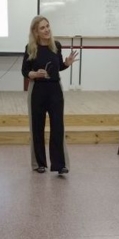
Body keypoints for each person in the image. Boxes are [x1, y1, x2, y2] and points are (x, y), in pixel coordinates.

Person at [21, 16, 78, 174]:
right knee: (37, 127)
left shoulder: (56, 45)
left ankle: (60, 165)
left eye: (47, 26)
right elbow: (25, 71)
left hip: (55, 90)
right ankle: (39, 164)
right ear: (36, 31)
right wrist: (34, 74)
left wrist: (66, 64)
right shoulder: (30, 48)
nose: (47, 30)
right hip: (37, 90)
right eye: (42, 28)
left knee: (58, 127)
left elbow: (57, 67)